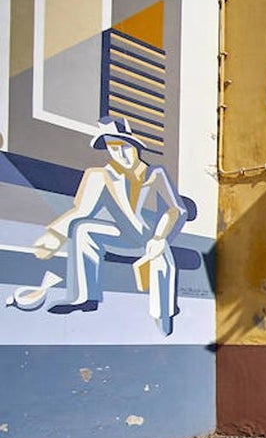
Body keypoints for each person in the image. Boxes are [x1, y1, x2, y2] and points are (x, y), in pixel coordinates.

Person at [32, 117, 187, 334]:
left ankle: (163, 318)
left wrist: (160, 238)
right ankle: (84, 296)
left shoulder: (155, 174)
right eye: (112, 149)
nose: (119, 154)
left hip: (153, 237)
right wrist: (55, 234)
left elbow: (176, 210)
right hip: (123, 235)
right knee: (84, 229)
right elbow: (81, 212)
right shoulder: (101, 176)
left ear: (135, 147)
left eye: (124, 147)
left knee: (162, 268)